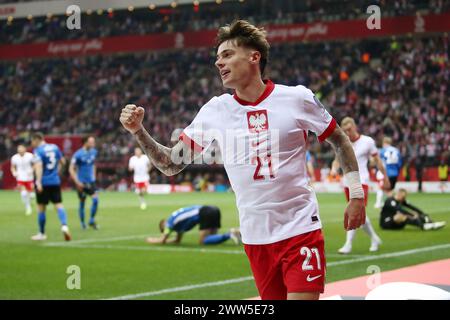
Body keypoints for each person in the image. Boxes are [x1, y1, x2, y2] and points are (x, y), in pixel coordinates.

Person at [120, 20, 366, 300]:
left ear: (254, 56)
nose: (218, 63)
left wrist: (356, 195)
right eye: (217, 58)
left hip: (300, 228)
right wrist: (138, 131)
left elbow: (340, 139)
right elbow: (170, 164)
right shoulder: (216, 110)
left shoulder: (297, 98)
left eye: (227, 55)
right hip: (255, 236)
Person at [332, 117, 390, 254]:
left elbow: (377, 160)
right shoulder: (342, 142)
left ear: (355, 127)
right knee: (357, 213)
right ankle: (374, 238)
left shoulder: (367, 142)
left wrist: (385, 177)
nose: (347, 132)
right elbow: (336, 160)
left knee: (356, 212)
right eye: (345, 130)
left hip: (362, 181)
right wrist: (333, 169)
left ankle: (348, 244)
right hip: (347, 183)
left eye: (349, 129)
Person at [30, 132, 71, 241]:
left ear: (37, 139)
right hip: (55, 181)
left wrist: (38, 182)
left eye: (32, 141)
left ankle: (42, 233)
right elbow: (63, 161)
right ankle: (64, 226)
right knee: (59, 205)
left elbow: (38, 167)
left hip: (44, 182)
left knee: (41, 208)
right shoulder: (55, 147)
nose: (32, 144)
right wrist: (57, 172)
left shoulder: (38, 151)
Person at [146, 205, 241, 245]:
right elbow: (177, 240)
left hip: (205, 212)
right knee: (211, 238)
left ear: (163, 224)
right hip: (213, 209)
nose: (167, 232)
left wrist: (153, 240)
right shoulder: (177, 224)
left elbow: (163, 240)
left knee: (203, 241)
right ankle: (233, 234)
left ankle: (230, 234)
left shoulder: (169, 223)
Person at [69, 136, 99, 229]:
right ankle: (82, 223)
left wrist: (93, 176)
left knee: (95, 200)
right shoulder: (78, 154)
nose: (93, 144)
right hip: (81, 182)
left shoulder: (94, 152)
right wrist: (77, 182)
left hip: (91, 181)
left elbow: (93, 164)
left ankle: (91, 220)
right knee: (82, 202)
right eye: (91, 142)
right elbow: (71, 169)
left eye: (93, 142)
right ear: (85, 142)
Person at [380, 189, 446, 231]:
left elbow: (412, 207)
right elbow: (400, 209)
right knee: (400, 215)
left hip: (397, 225)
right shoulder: (389, 201)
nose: (404, 199)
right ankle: (423, 226)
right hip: (386, 223)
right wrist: (412, 214)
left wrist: (422, 213)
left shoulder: (401, 200)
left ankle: (432, 223)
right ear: (399, 194)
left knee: (413, 214)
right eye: (403, 197)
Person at [10, 144, 35, 215]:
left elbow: (35, 164)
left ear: (25, 149)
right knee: (24, 193)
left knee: (32, 195)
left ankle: (29, 201)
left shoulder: (30, 156)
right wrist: (14, 172)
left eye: (21, 149)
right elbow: (12, 167)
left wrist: (32, 170)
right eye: (19, 149)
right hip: (20, 176)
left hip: (29, 176)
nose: (20, 150)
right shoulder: (14, 157)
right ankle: (28, 208)